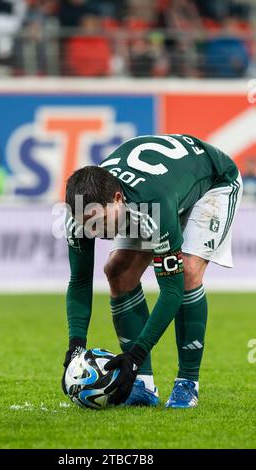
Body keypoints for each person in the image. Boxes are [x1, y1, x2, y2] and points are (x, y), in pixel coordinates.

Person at [62, 134, 242, 408]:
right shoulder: (79, 213)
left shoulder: (151, 207)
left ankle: (187, 384)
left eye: (98, 222)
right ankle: (143, 385)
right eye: (86, 224)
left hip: (214, 182)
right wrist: (76, 344)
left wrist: (135, 354)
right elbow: (79, 282)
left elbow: (171, 291)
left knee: (189, 272)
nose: (93, 233)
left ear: (118, 198)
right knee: (118, 271)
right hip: (165, 185)